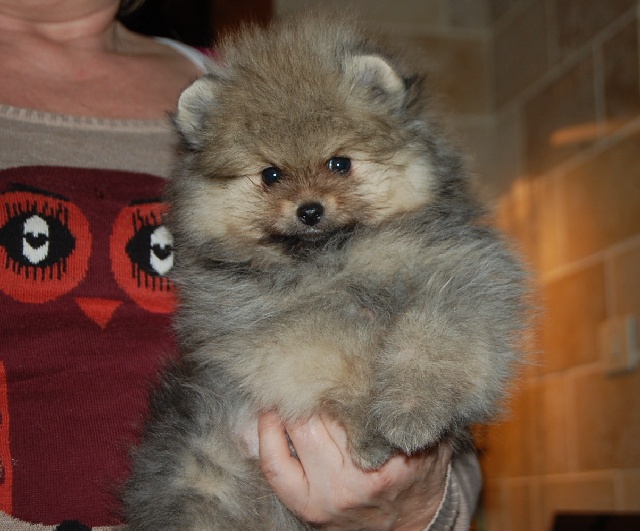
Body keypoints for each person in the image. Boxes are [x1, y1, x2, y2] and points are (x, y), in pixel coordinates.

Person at [0, 0, 481, 529]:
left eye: (339, 165)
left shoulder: (237, 75)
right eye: (271, 178)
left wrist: (413, 508)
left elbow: (442, 437)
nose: (308, 200)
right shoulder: (223, 110)